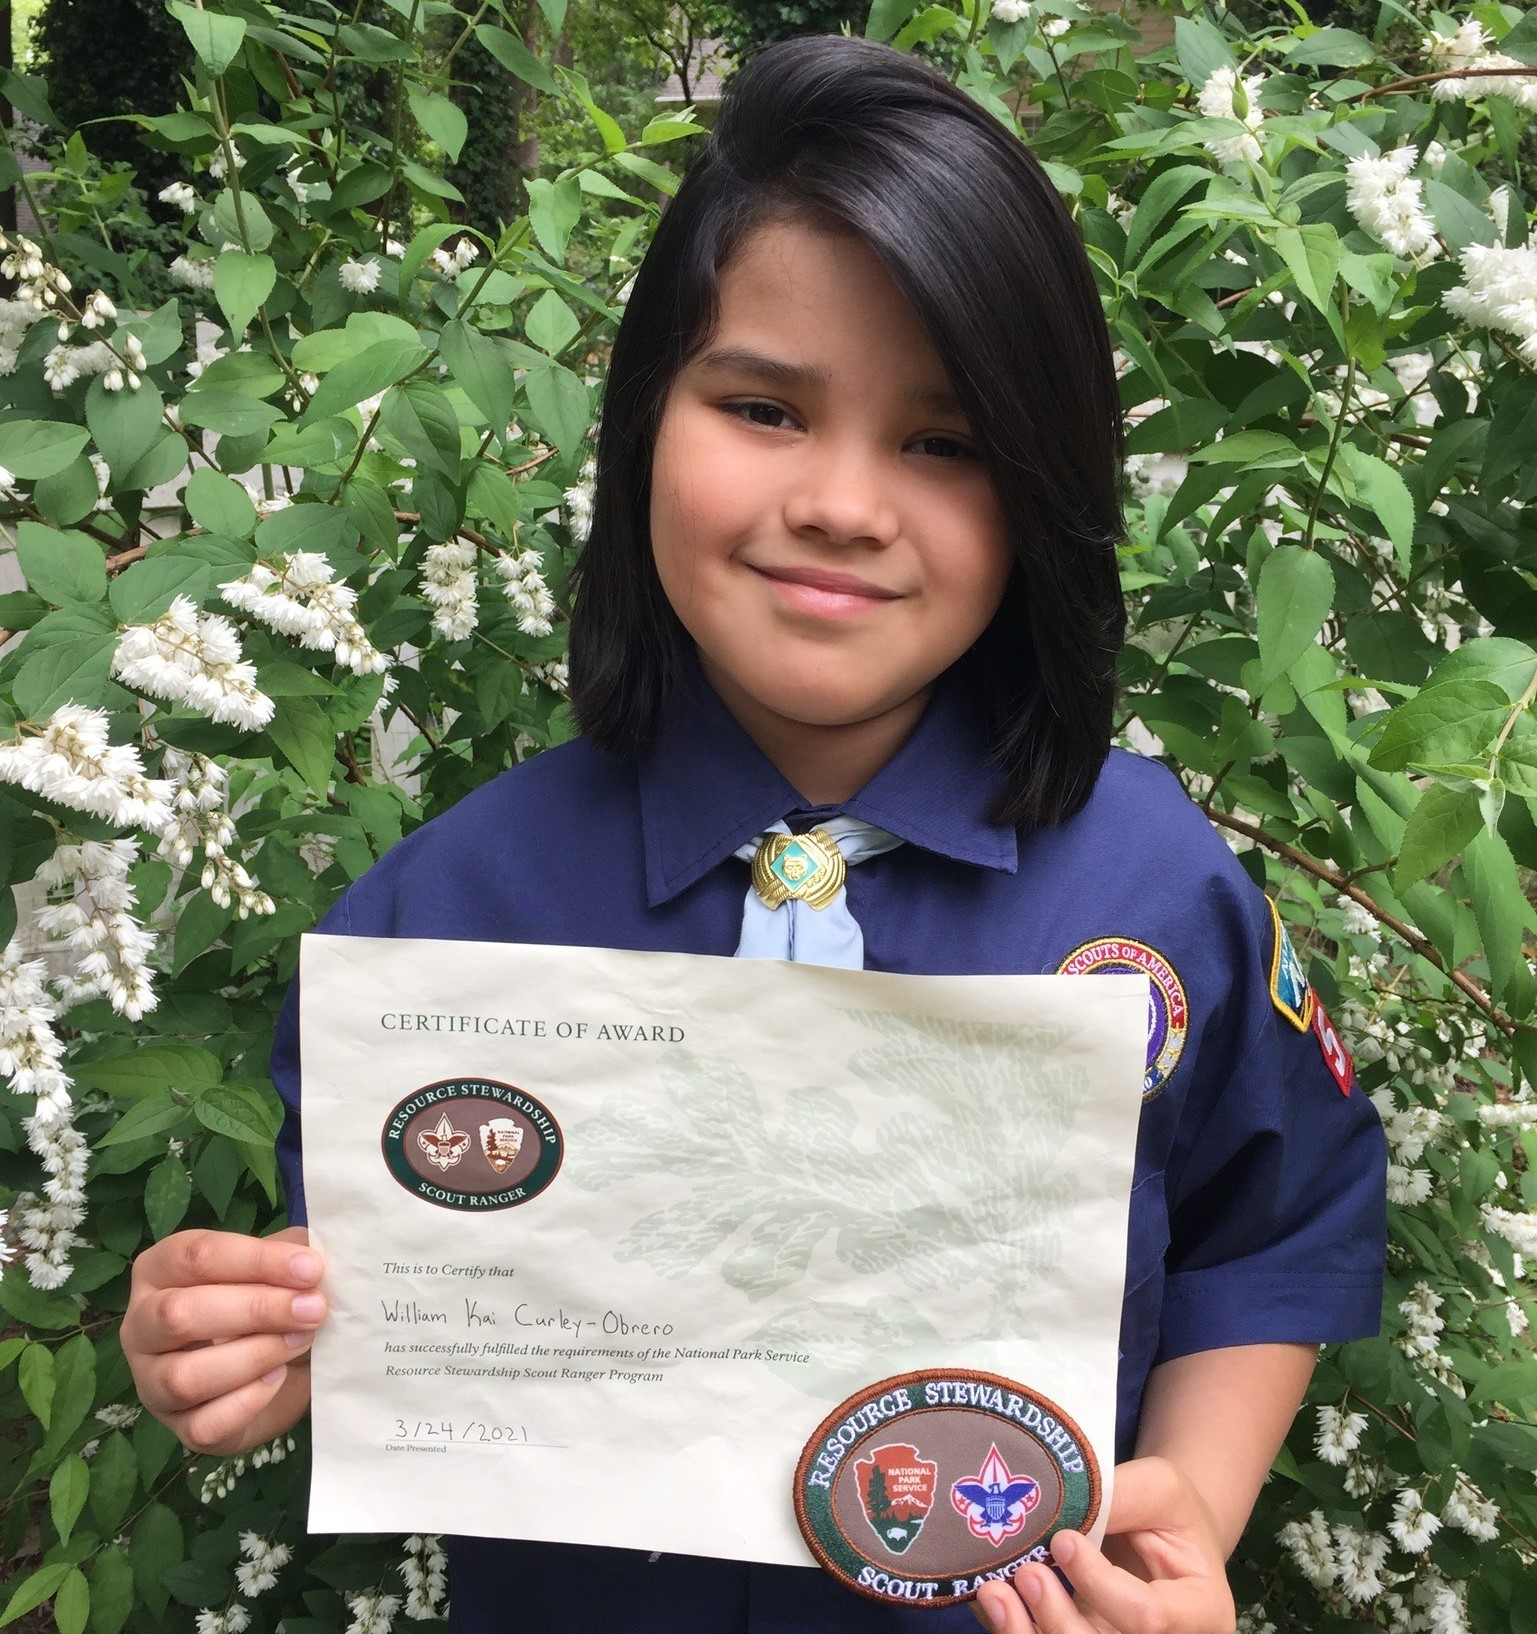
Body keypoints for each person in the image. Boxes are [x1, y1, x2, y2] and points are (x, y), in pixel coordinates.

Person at [121, 32, 1387, 1634]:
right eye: (764, 407)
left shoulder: (1156, 885)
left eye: (944, 441)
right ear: (643, 418)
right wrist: (236, 1336)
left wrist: (1184, 1520)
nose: (843, 503)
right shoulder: (445, 912)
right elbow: (380, 1287)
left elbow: (1269, 1231)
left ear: (1045, 485)